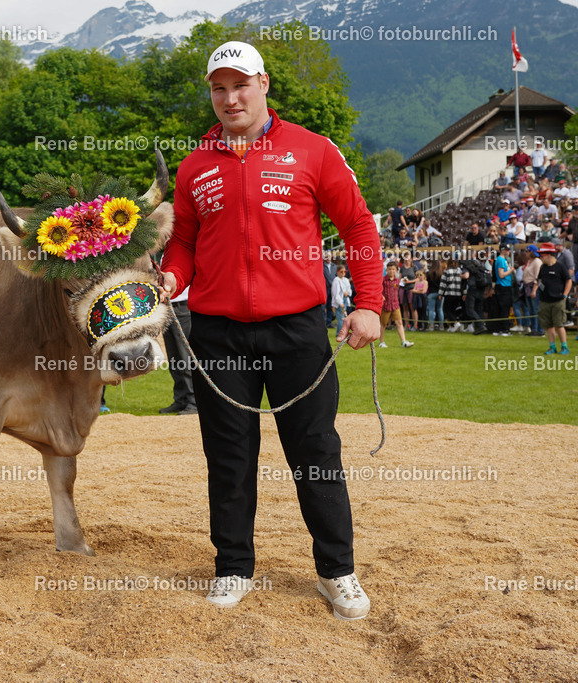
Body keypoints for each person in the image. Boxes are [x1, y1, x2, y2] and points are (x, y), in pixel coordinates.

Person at [160, 41, 382, 620]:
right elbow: (185, 241)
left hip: (297, 332)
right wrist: (170, 277)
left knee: (315, 454)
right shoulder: (194, 165)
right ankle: (233, 567)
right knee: (229, 457)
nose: (230, 98)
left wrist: (370, 303)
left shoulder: (312, 150)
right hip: (217, 333)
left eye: (240, 85)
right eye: (218, 88)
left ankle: (337, 572)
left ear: (263, 84)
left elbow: (357, 224)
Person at [159, 286, 197, 415]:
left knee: (185, 357)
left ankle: (193, 402)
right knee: (174, 358)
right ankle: (181, 399)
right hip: (165, 306)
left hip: (182, 306)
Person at [536, 243, 571, 355]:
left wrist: (565, 295)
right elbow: (539, 280)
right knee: (548, 325)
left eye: (542, 255)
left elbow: (568, 280)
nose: (540, 257)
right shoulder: (543, 267)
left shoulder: (560, 267)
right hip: (544, 301)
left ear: (549, 255)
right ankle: (552, 347)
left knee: (559, 324)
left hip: (558, 300)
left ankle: (564, 347)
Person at [378, 263, 414, 348]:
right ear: (386, 270)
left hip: (395, 304)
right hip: (385, 305)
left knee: (399, 323)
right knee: (383, 324)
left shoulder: (398, 281)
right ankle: (381, 342)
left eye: (393, 269)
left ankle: (403, 341)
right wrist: (381, 296)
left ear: (396, 270)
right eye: (389, 269)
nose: (391, 271)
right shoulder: (382, 280)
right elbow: (377, 289)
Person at [491, 245, 516, 335]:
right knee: (504, 308)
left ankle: (499, 329)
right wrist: (511, 270)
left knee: (501, 308)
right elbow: (501, 274)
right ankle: (504, 329)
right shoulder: (501, 260)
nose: (508, 251)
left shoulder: (502, 260)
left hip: (502, 286)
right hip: (503, 286)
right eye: (507, 249)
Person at [522, 244, 543, 336]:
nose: (525, 253)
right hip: (527, 286)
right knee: (530, 309)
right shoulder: (529, 261)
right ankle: (533, 329)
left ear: (531, 252)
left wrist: (534, 290)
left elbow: (538, 277)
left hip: (533, 287)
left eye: (527, 251)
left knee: (536, 309)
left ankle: (540, 329)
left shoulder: (537, 262)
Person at [331, 264, 353, 333]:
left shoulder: (346, 280)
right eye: (341, 271)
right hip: (340, 301)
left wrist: (347, 293)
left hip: (346, 299)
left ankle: (341, 332)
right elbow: (335, 294)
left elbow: (349, 290)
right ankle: (340, 333)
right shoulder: (336, 280)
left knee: (344, 317)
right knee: (340, 317)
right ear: (337, 272)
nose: (343, 273)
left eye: (344, 271)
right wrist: (340, 302)